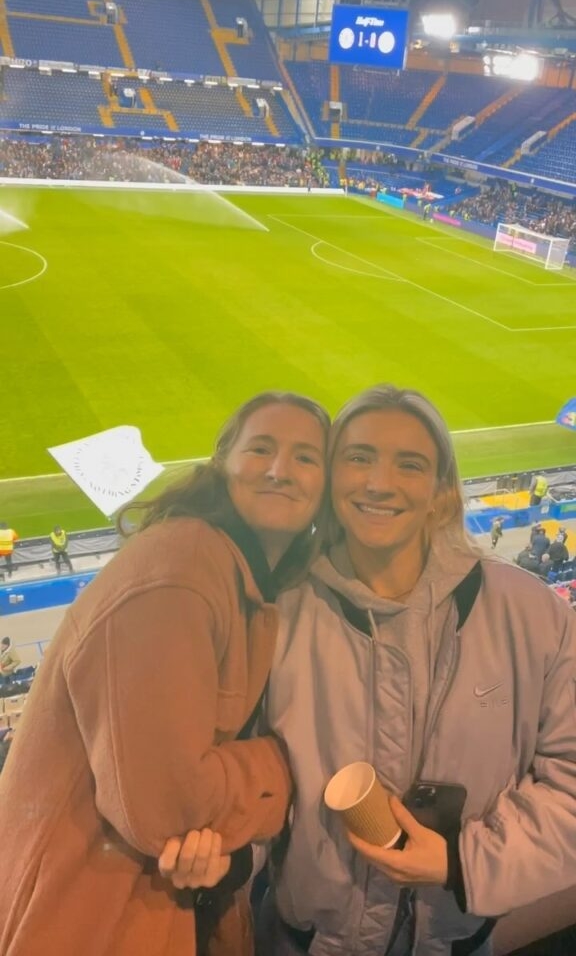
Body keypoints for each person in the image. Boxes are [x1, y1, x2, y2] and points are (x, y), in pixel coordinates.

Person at [164, 384, 576, 956]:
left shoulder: (532, 614)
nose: (379, 483)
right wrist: (221, 852)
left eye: (410, 464)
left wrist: (463, 860)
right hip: (304, 941)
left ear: (441, 494)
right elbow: (248, 775)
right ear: (331, 483)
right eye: (358, 458)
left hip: (457, 942)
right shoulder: (277, 614)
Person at [0, 391, 329, 956]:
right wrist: (289, 763)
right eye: (261, 448)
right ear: (222, 463)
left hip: (148, 906)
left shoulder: (244, 574)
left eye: (305, 457)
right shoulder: (181, 570)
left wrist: (215, 838)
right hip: (83, 917)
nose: (279, 470)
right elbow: (166, 807)